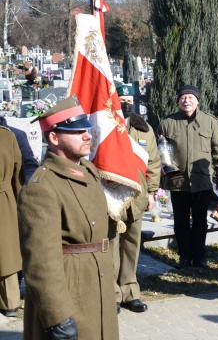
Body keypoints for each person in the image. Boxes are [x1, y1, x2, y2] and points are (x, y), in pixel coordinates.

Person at [18, 96, 118, 340]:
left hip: (97, 289)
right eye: (77, 131)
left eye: (86, 129)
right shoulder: (43, 186)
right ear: (54, 138)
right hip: (70, 296)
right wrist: (57, 318)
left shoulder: (87, 171)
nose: (87, 135)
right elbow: (41, 263)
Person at [159, 85, 218, 270]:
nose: (186, 100)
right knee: (180, 222)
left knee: (200, 222)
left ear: (197, 101)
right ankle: (184, 256)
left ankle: (200, 256)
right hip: (178, 181)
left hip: (201, 181)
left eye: (190, 97)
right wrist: (166, 175)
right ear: (178, 101)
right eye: (183, 97)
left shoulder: (210, 122)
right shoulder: (167, 123)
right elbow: (162, 152)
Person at [110, 84, 160, 313]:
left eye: (130, 99)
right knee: (111, 246)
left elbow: (153, 162)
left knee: (131, 245)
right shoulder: (107, 125)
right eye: (122, 98)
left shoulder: (144, 128)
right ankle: (112, 294)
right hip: (112, 196)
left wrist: (151, 191)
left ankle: (130, 291)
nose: (126, 103)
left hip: (137, 196)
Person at [0, 126, 23, 318]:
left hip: (4, 195)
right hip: (4, 199)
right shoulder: (6, 135)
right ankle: (10, 302)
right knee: (5, 252)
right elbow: (18, 172)